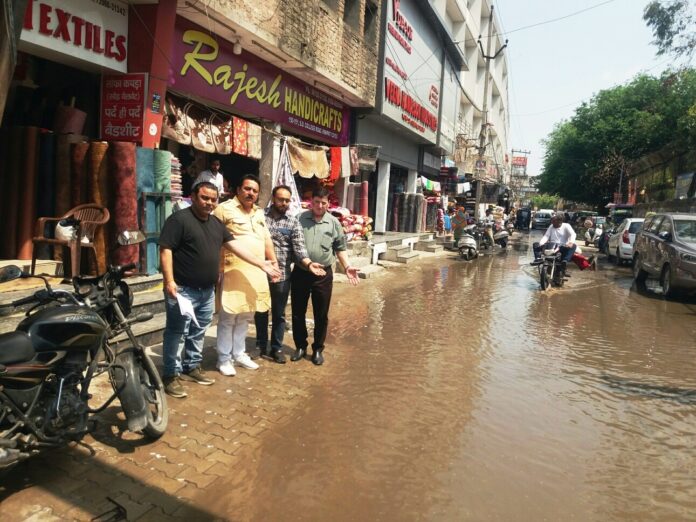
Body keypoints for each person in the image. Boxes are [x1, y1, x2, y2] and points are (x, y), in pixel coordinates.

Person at [159, 182, 280, 399]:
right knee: (177, 333)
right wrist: (169, 281)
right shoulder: (179, 220)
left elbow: (236, 247)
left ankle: (192, 366)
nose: (209, 203)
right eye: (204, 198)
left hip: (206, 290)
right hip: (182, 289)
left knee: (198, 330)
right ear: (194, 197)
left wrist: (262, 264)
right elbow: (166, 249)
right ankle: (170, 374)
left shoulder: (215, 223)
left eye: (213, 199)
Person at [212, 175, 278, 377]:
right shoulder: (224, 209)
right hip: (231, 271)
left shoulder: (259, 213)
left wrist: (273, 262)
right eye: (247, 189)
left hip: (256, 272)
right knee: (228, 317)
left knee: (246, 315)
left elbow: (266, 238)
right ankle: (223, 358)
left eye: (255, 191)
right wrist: (216, 269)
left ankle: (239, 354)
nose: (251, 193)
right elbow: (214, 239)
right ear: (238, 189)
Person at [254, 186, 326, 364]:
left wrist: (308, 264)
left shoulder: (293, 222)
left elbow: (299, 248)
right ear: (273, 198)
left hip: (282, 275)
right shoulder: (259, 216)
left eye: (287, 200)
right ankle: (261, 345)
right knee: (260, 311)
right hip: (260, 273)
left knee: (279, 314)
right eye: (280, 199)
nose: (284, 203)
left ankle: (276, 348)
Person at [290, 187, 360, 366]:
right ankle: (300, 346)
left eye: (323, 203)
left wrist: (347, 267)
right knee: (298, 312)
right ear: (311, 202)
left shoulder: (334, 223)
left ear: (328, 204)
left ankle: (318, 349)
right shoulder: (299, 218)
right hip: (301, 272)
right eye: (316, 202)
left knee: (321, 314)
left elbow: (340, 248)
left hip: (322, 275)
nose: (319, 206)